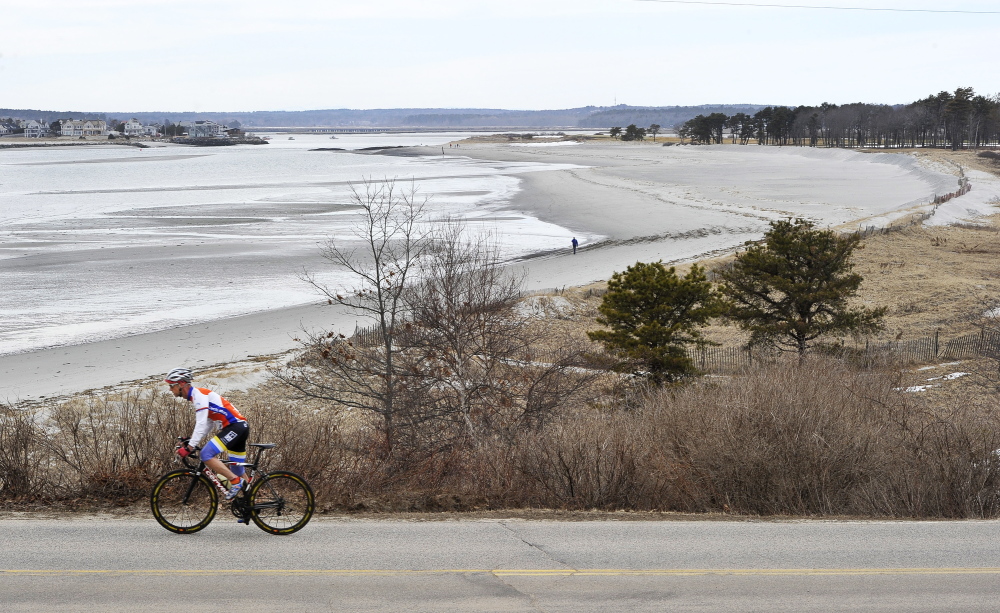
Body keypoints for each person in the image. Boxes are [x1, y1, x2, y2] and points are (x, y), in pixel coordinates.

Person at [165, 368, 250, 499]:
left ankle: (235, 482)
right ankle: (251, 505)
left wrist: (190, 447)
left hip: (235, 427)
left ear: (181, 384)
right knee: (237, 470)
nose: (170, 389)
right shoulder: (198, 396)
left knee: (206, 454)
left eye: (172, 385)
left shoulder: (199, 396)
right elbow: (208, 423)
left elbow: (201, 422)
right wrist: (192, 439)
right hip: (239, 428)